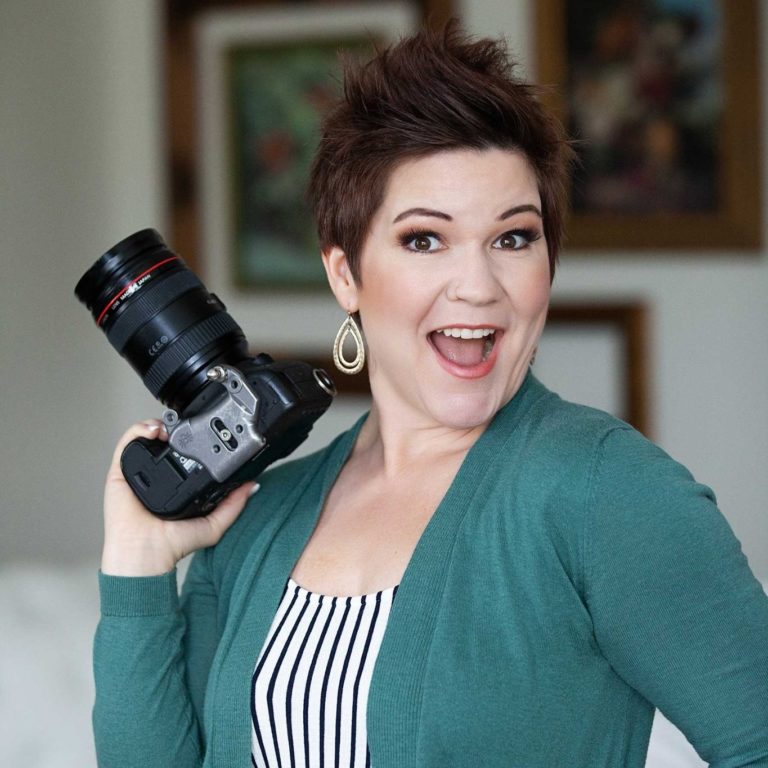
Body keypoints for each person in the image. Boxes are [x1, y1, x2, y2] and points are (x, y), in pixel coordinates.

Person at [93, 24, 768, 768]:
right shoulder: (261, 513)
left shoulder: (606, 494)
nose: (478, 286)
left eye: (513, 238)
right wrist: (139, 564)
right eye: (424, 239)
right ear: (345, 272)